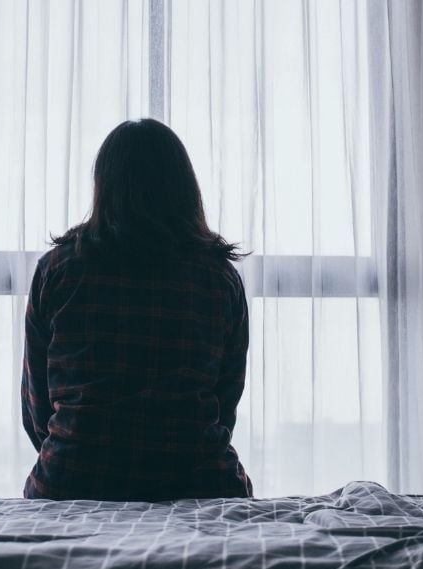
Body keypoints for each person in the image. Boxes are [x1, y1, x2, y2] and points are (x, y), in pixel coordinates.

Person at [21, 119, 253, 502]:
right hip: (200, 481)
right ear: (184, 187)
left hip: (71, 479)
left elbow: (37, 408)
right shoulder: (219, 278)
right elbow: (225, 401)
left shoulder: (57, 270)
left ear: (104, 186)